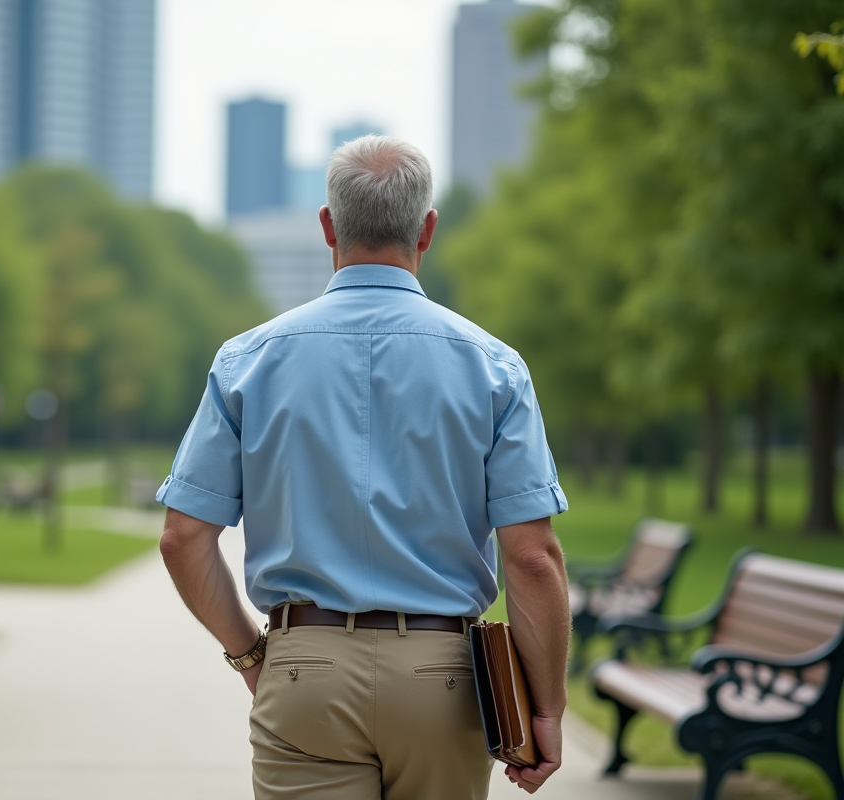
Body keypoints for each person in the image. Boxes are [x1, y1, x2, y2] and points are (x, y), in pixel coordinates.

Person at [156, 135, 570, 799]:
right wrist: (544, 709)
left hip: (304, 673)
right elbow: (533, 559)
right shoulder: (496, 367)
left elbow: (182, 537)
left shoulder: (247, 360)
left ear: (328, 225)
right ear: (427, 229)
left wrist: (251, 656)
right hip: (446, 683)